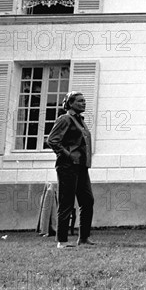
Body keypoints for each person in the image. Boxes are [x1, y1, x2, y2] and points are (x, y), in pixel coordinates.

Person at [47, 91, 95, 248]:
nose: (83, 103)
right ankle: (62, 241)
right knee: (66, 202)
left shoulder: (80, 120)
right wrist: (69, 155)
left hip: (81, 167)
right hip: (67, 167)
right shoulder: (65, 119)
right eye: (80, 101)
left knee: (87, 200)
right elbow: (53, 140)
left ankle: (83, 238)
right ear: (70, 103)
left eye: (84, 100)